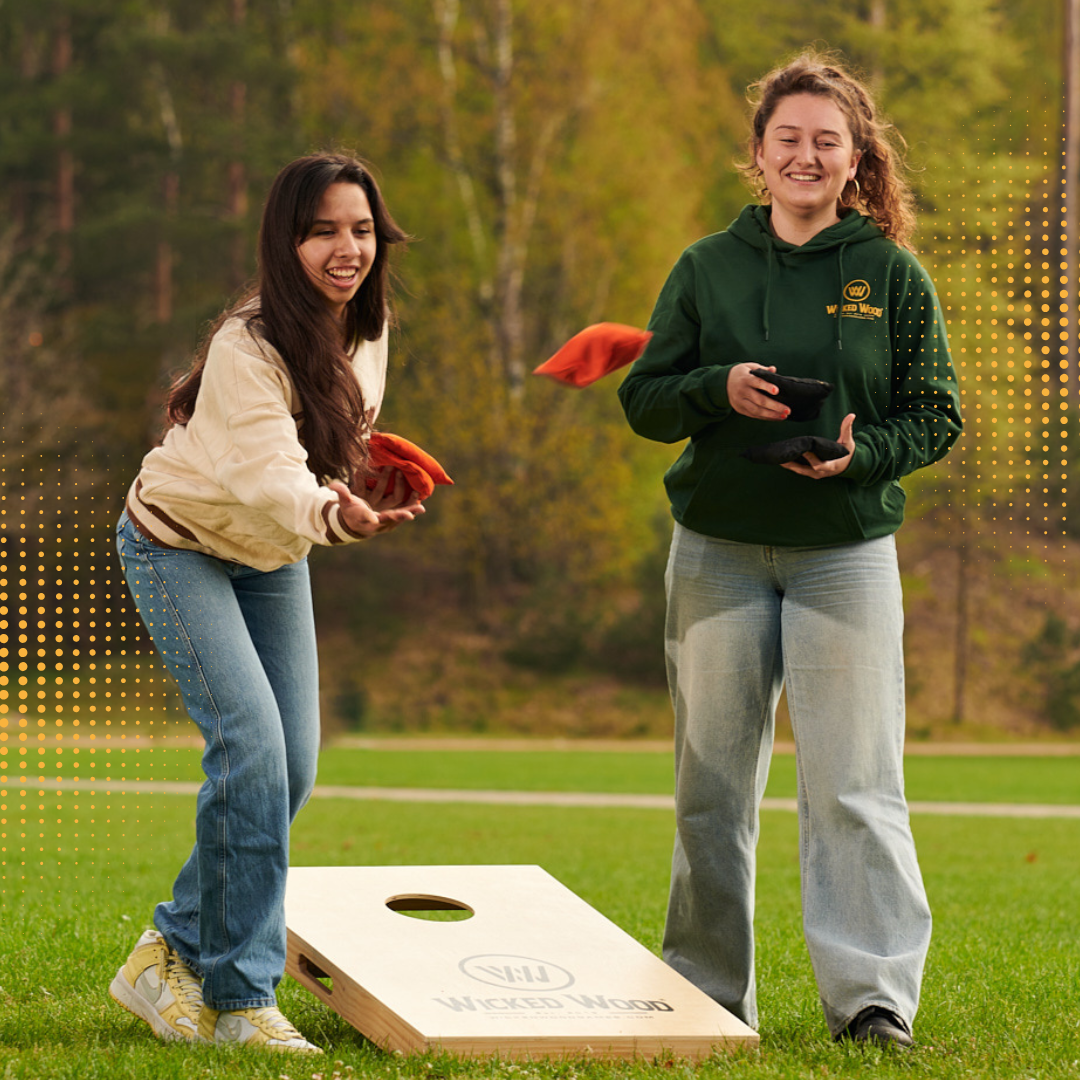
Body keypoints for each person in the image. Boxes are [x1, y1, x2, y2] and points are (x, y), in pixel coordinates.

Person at [617, 52, 962, 1048]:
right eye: (788, 140)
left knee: (854, 782)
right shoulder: (705, 267)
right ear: (759, 157)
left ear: (854, 159)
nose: (806, 156)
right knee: (711, 788)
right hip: (718, 550)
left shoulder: (890, 275)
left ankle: (873, 1000)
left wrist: (862, 457)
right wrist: (712, 388)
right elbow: (644, 399)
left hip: (842, 552)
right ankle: (705, 994)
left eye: (827, 141)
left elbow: (934, 415)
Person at [110, 153, 425, 1053]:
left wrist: (364, 467)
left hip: (274, 554)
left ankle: (168, 945)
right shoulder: (246, 346)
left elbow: (320, 440)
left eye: (361, 229)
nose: (346, 248)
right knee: (250, 747)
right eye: (324, 229)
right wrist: (334, 508)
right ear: (285, 240)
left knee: (292, 767)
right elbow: (264, 471)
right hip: (178, 546)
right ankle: (241, 1002)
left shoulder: (367, 326)